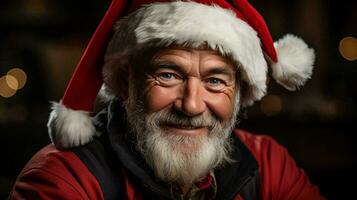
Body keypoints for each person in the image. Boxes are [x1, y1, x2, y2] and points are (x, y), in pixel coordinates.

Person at [9, 0, 325, 199]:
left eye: (215, 81)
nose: (191, 105)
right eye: (168, 75)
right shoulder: (63, 179)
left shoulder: (268, 165)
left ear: (240, 92)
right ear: (124, 82)